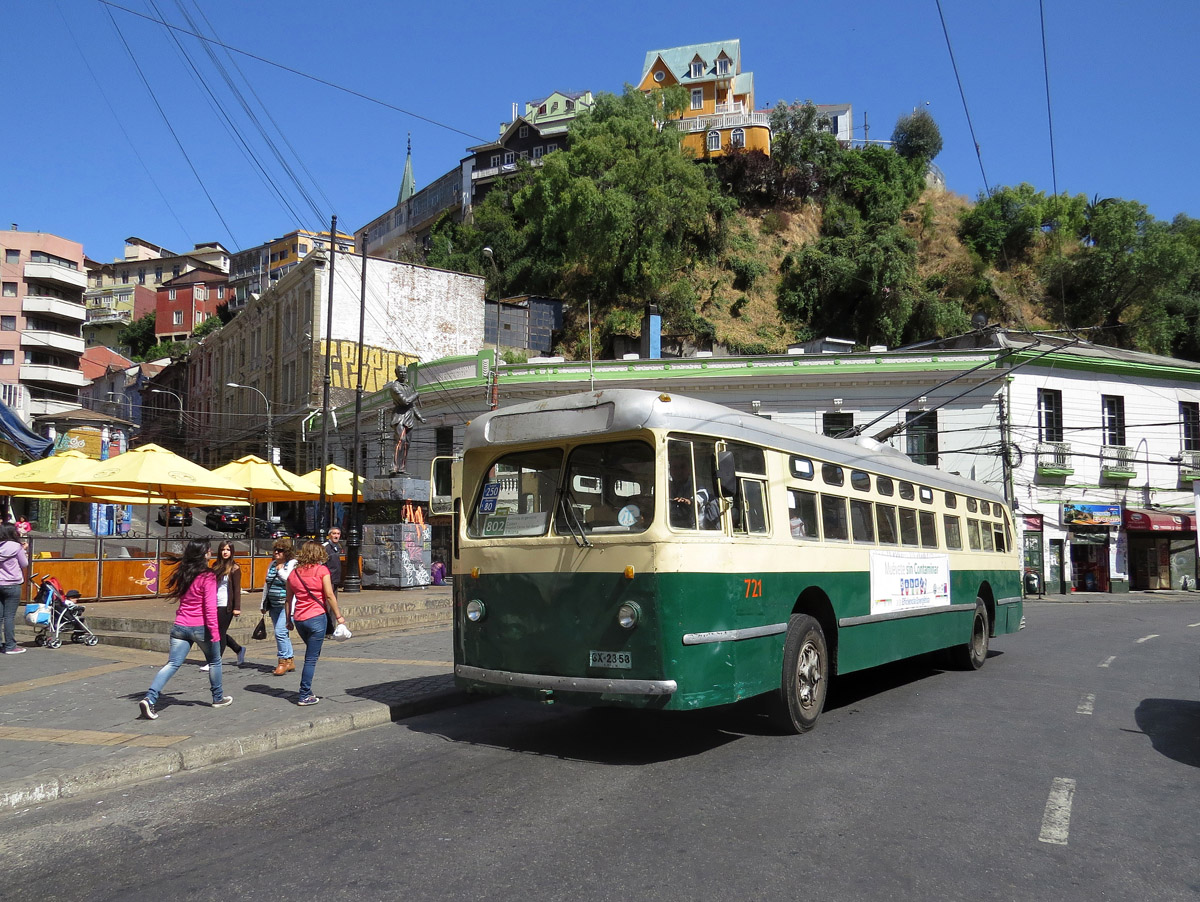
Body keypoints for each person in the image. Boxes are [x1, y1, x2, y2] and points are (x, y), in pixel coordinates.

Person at [139, 540, 231, 719]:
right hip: (200, 626)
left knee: (172, 664)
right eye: (208, 550)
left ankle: (149, 698)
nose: (211, 552)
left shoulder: (184, 573)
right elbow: (210, 608)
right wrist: (214, 633)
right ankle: (218, 698)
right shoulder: (208, 576)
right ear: (203, 554)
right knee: (214, 661)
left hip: (180, 625)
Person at [285, 540, 346, 706]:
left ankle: (307, 690)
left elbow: (288, 599)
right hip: (316, 618)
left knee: (312, 654)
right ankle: (304, 693)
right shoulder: (322, 570)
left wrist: (287, 620)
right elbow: (329, 595)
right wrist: (339, 617)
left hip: (299, 619)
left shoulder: (294, 573)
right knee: (311, 658)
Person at [202, 539, 245, 671]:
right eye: (223, 549)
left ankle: (215, 661)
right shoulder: (215, 566)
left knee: (219, 632)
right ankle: (239, 649)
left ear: (231, 552)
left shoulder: (235, 568)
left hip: (226, 605)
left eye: (228, 550)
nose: (225, 552)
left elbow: (237, 589)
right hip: (213, 603)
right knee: (215, 632)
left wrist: (237, 607)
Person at [262, 536, 297, 676]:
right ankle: (289, 660)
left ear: (287, 552)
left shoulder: (293, 564)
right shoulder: (272, 564)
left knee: (280, 632)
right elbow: (267, 584)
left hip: (286, 605)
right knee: (282, 633)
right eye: (275, 550)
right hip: (273, 604)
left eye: (280, 550)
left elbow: (290, 581)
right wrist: (263, 603)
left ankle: (282, 661)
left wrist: (280, 570)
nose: (276, 553)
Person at [388, 364, 425, 474]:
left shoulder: (408, 388)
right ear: (396, 373)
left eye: (405, 372)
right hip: (399, 417)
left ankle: (402, 468)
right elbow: (405, 401)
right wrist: (415, 395)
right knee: (400, 440)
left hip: (409, 418)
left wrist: (420, 417)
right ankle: (393, 466)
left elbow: (412, 405)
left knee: (407, 444)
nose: (403, 374)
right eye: (401, 372)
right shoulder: (395, 387)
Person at [0, 524, 29, 655]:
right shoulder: (16, 547)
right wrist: (23, 550)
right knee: (9, 617)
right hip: (12, 584)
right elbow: (24, 564)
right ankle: (11, 646)